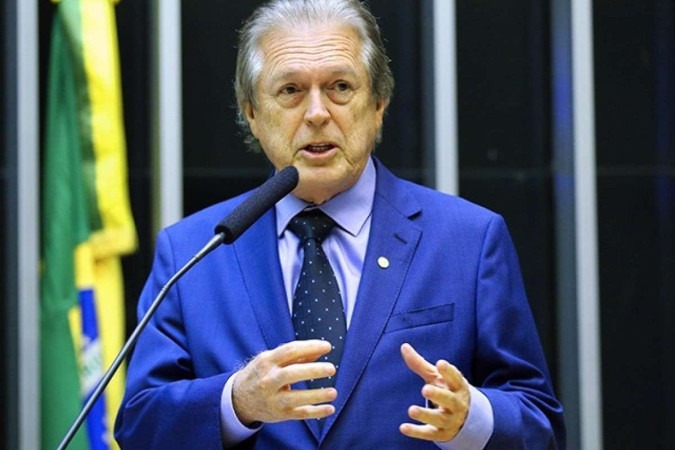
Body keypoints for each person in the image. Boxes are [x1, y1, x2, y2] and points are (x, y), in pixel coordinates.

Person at [115, 0, 565, 448]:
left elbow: (539, 423)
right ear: (251, 113)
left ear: (378, 104)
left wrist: (471, 419)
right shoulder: (193, 250)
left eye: (340, 87)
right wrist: (237, 403)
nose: (316, 113)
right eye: (290, 90)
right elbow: (139, 427)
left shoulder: (468, 240)